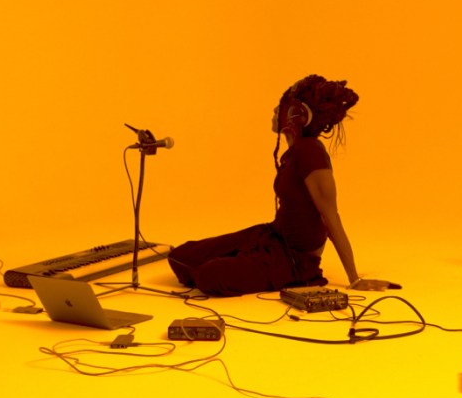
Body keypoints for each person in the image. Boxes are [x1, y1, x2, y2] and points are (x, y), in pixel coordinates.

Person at [167, 74, 399, 297]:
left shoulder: (311, 152)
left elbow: (331, 217)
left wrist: (354, 277)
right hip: (271, 236)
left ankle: (240, 268)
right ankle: (237, 264)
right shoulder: (294, 152)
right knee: (180, 257)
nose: (274, 111)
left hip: (294, 260)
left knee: (208, 276)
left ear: (296, 115)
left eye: (280, 108)